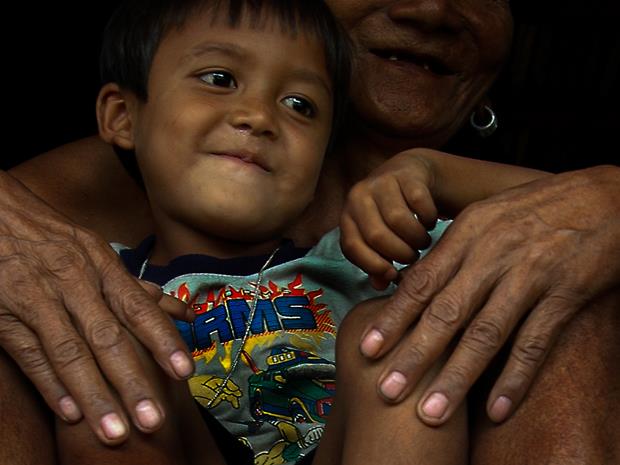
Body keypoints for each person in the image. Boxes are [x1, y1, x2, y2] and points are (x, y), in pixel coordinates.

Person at [0, 0, 618, 463]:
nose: (257, 117)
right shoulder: (81, 265)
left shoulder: (356, 254)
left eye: (301, 106)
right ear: (122, 116)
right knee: (105, 346)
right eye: (220, 79)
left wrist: (435, 172)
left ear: (325, 152)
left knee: (391, 334)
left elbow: (558, 217)